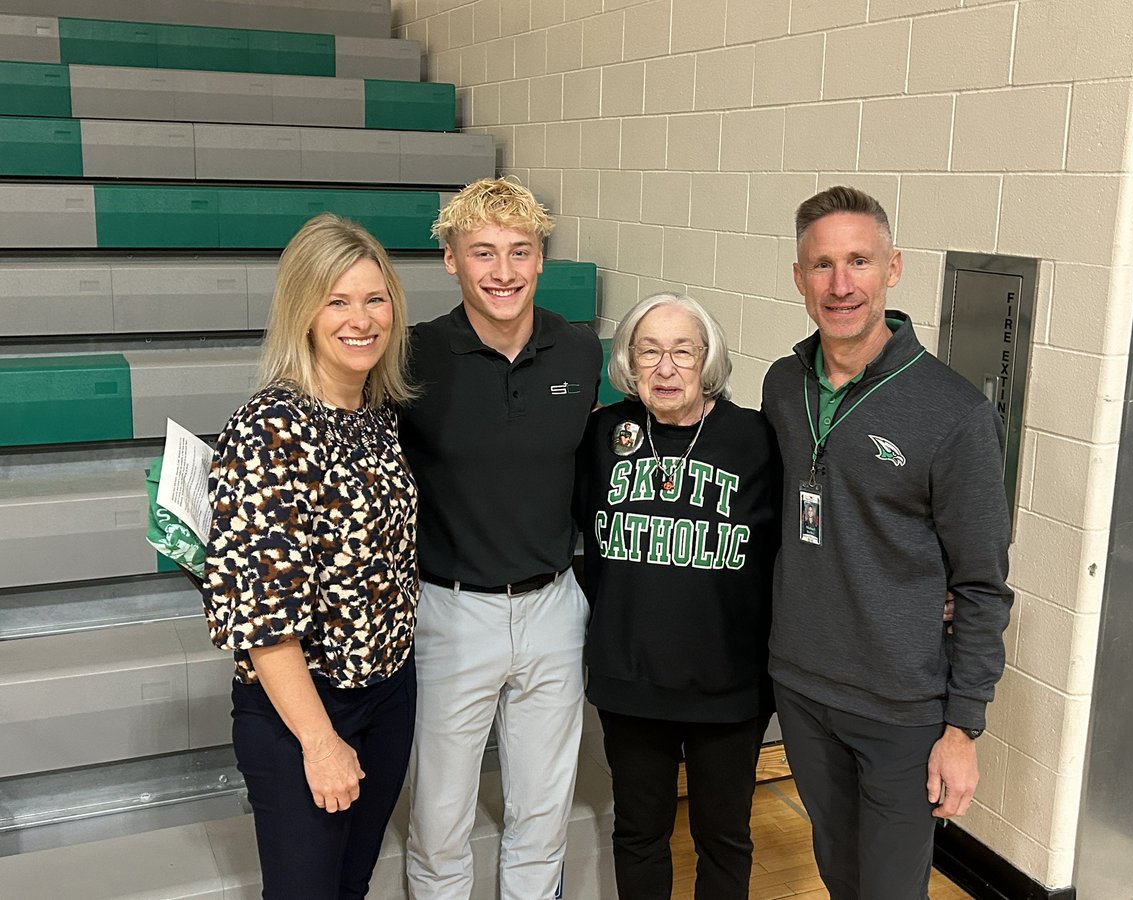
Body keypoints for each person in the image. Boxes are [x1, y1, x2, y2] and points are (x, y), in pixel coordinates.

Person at [762, 185, 1013, 900]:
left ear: (893, 268)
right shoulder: (783, 387)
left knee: (891, 888)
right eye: (822, 265)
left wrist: (963, 726)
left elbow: (981, 584)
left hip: (901, 708)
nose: (841, 284)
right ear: (799, 277)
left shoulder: (953, 413)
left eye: (860, 261)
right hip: (804, 687)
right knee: (840, 875)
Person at [201, 212, 419, 900]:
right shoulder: (268, 429)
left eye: (375, 298)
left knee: (349, 885)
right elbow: (262, 617)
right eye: (337, 300)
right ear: (303, 311)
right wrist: (321, 742)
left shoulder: (379, 418)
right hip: (303, 711)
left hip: (385, 694)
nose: (362, 319)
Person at [400, 177, 602, 899]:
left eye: (520, 251)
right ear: (451, 261)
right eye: (482, 252)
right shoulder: (412, 358)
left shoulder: (580, 354)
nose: (504, 271)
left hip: (552, 607)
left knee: (541, 819)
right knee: (440, 821)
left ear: (542, 257)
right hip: (450, 612)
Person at [575, 293, 780, 899]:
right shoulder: (600, 435)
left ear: (707, 359)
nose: (666, 368)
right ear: (630, 363)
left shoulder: (755, 440)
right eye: (650, 351)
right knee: (640, 833)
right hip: (630, 680)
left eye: (682, 352)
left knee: (724, 837)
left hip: (729, 685)